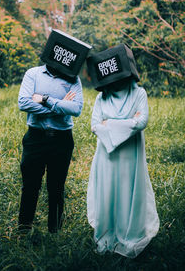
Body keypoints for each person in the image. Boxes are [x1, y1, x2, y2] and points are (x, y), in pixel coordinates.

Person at [87, 44, 159, 258]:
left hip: (130, 156)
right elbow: (94, 125)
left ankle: (129, 233)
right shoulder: (102, 97)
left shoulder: (139, 93)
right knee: (107, 191)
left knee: (128, 191)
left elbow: (142, 121)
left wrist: (110, 124)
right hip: (106, 156)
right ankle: (107, 235)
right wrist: (128, 122)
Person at [18, 29, 91, 233]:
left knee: (56, 188)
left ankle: (54, 231)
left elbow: (75, 109)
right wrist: (60, 105)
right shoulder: (33, 73)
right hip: (35, 138)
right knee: (30, 186)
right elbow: (24, 102)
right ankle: (24, 228)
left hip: (62, 139)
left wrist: (44, 99)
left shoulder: (73, 80)